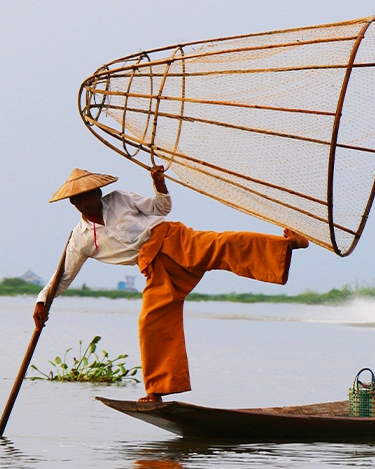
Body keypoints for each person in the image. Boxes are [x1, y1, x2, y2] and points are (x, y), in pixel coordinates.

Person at [33, 167, 309, 403]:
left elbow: (160, 208)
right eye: (80, 198)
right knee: (151, 321)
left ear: (98, 193)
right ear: (74, 204)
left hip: (170, 238)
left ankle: (288, 245)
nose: (88, 200)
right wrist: (43, 301)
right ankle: (157, 390)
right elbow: (63, 277)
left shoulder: (119, 199)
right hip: (153, 265)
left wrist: (159, 184)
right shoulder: (80, 239)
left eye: (91, 194)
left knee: (222, 244)